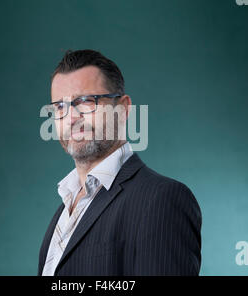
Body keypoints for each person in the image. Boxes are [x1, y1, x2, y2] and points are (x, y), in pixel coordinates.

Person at [38, 49, 202, 276]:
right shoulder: (65, 206)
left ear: (123, 109)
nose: (71, 117)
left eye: (85, 101)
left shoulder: (161, 200)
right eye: (60, 107)